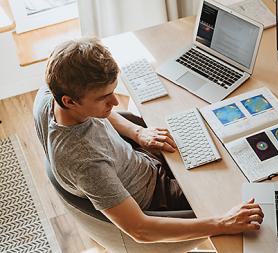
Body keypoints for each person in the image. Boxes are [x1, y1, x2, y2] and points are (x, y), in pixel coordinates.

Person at [33, 38, 263, 243]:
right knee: (244, 189)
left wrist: (137, 133)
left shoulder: (50, 95)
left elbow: (102, 112)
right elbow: (140, 230)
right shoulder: (85, 162)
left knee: (212, 134)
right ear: (70, 101)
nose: (114, 102)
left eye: (113, 91)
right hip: (157, 198)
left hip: (137, 161)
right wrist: (223, 223)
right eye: (104, 98)